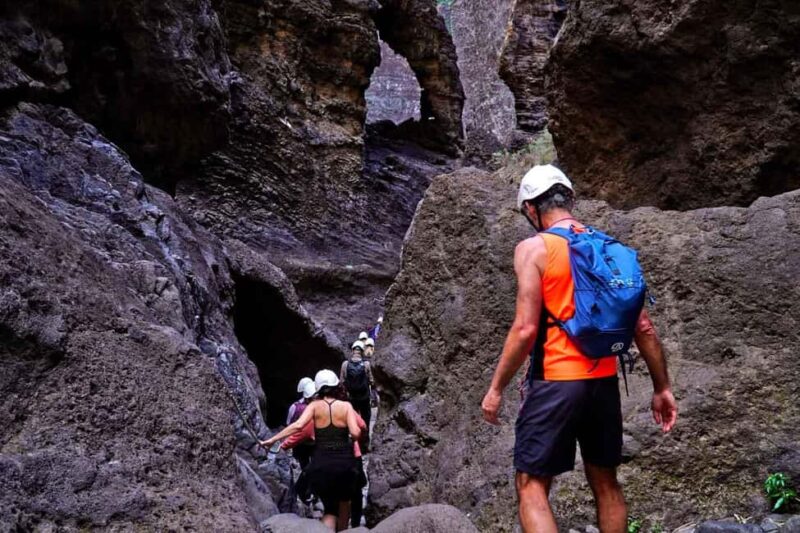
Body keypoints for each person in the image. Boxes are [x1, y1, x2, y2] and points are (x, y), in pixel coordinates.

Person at [480, 164, 678, 533]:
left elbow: (525, 329)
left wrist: (496, 388)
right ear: (570, 199)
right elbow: (644, 327)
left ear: (530, 209)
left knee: (531, 485)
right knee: (606, 483)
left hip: (556, 380)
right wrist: (662, 387)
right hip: (603, 382)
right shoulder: (611, 249)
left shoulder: (534, 248)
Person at [262, 370, 363, 531]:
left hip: (322, 463)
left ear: (318, 388)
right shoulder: (346, 406)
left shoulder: (314, 406)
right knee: (344, 504)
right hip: (344, 463)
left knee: (329, 509)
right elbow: (356, 433)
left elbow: (297, 426)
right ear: (336, 386)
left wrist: (273, 440)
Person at [341, 341, 374, 450]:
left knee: (353, 421)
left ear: (353, 350)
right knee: (365, 420)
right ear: (362, 351)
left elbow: (342, 381)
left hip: (351, 398)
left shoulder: (345, 364)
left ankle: (354, 445)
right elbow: (371, 381)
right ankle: (365, 444)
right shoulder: (366, 364)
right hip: (364, 397)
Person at [285, 378, 316, 469]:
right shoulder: (317, 407)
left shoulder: (294, 407)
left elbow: (289, 424)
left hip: (300, 442)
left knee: (304, 464)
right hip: (313, 441)